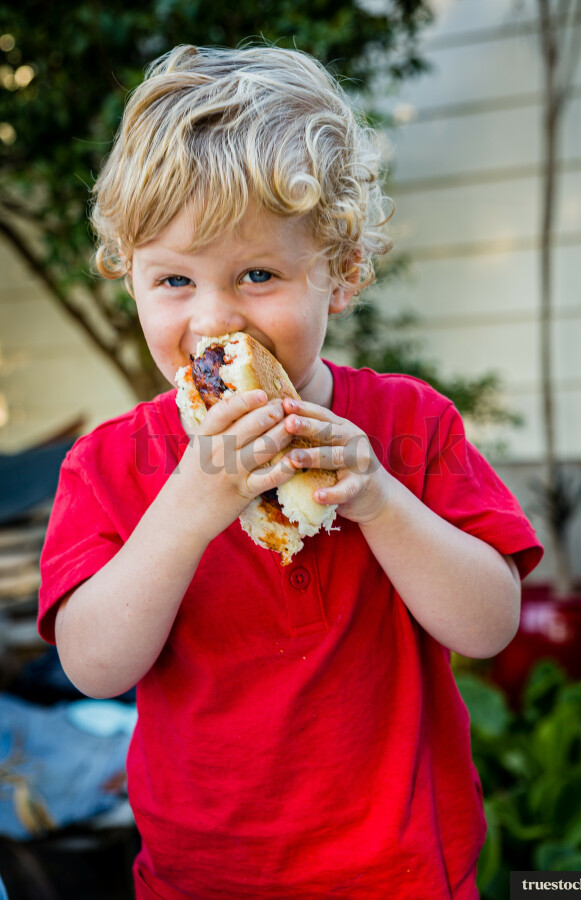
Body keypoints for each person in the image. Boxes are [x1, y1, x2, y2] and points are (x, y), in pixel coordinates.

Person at [38, 44, 543, 899]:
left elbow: (489, 624)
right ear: (131, 282)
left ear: (340, 274)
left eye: (258, 273)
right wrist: (189, 508)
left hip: (402, 866)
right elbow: (95, 666)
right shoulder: (112, 463)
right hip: (203, 876)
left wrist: (380, 500)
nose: (211, 318)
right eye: (172, 280)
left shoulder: (408, 426)